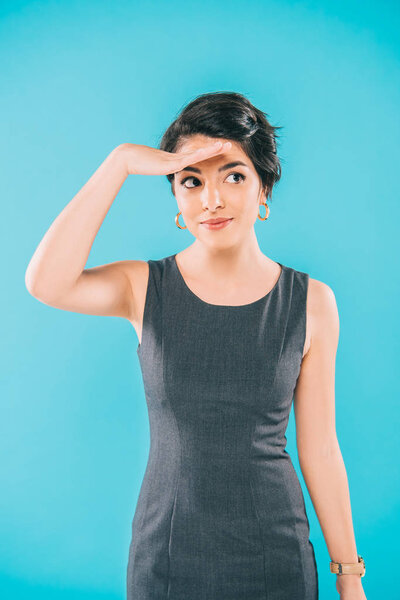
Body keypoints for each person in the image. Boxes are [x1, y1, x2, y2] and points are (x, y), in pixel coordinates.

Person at [25, 91, 367, 600]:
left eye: (233, 175)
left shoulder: (312, 301)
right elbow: (45, 282)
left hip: (276, 555)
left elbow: (320, 449)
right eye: (192, 181)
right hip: (167, 555)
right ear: (177, 202)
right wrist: (118, 163)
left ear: (263, 188)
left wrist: (349, 577)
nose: (212, 199)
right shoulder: (143, 287)